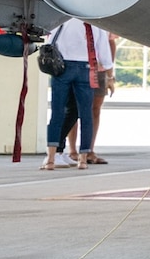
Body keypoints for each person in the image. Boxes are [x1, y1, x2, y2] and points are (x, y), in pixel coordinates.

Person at [38, 18, 107, 171]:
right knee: (86, 115)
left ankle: (50, 159)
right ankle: (82, 159)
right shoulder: (95, 22)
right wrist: (108, 69)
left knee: (57, 114)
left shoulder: (62, 19)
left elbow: (49, 40)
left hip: (63, 67)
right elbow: (104, 52)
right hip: (86, 67)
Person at [62, 26, 117, 165]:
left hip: (99, 68)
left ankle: (89, 150)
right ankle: (73, 150)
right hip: (76, 66)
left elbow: (110, 42)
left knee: (95, 110)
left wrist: (110, 73)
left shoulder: (104, 18)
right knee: (74, 108)